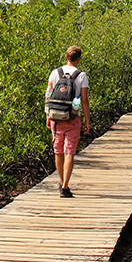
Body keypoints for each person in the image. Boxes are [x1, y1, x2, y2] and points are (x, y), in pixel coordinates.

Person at [45, 45, 90, 198]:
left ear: (66, 57)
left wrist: (47, 116)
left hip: (55, 118)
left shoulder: (55, 73)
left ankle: (61, 180)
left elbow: (48, 95)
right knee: (69, 151)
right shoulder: (81, 76)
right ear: (79, 59)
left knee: (58, 151)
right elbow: (84, 100)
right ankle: (65, 186)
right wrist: (87, 121)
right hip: (73, 118)